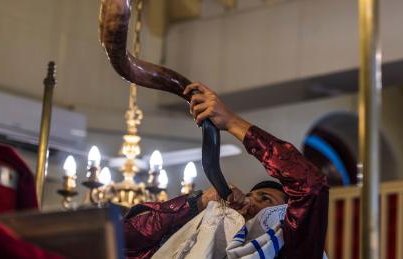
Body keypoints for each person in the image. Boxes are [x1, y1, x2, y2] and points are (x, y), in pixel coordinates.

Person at [123, 83, 329, 259]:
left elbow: (310, 184)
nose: (248, 201)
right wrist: (199, 203)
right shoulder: (202, 243)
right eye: (250, 195)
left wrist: (231, 122)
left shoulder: (293, 249)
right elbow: (124, 240)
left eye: (265, 199)